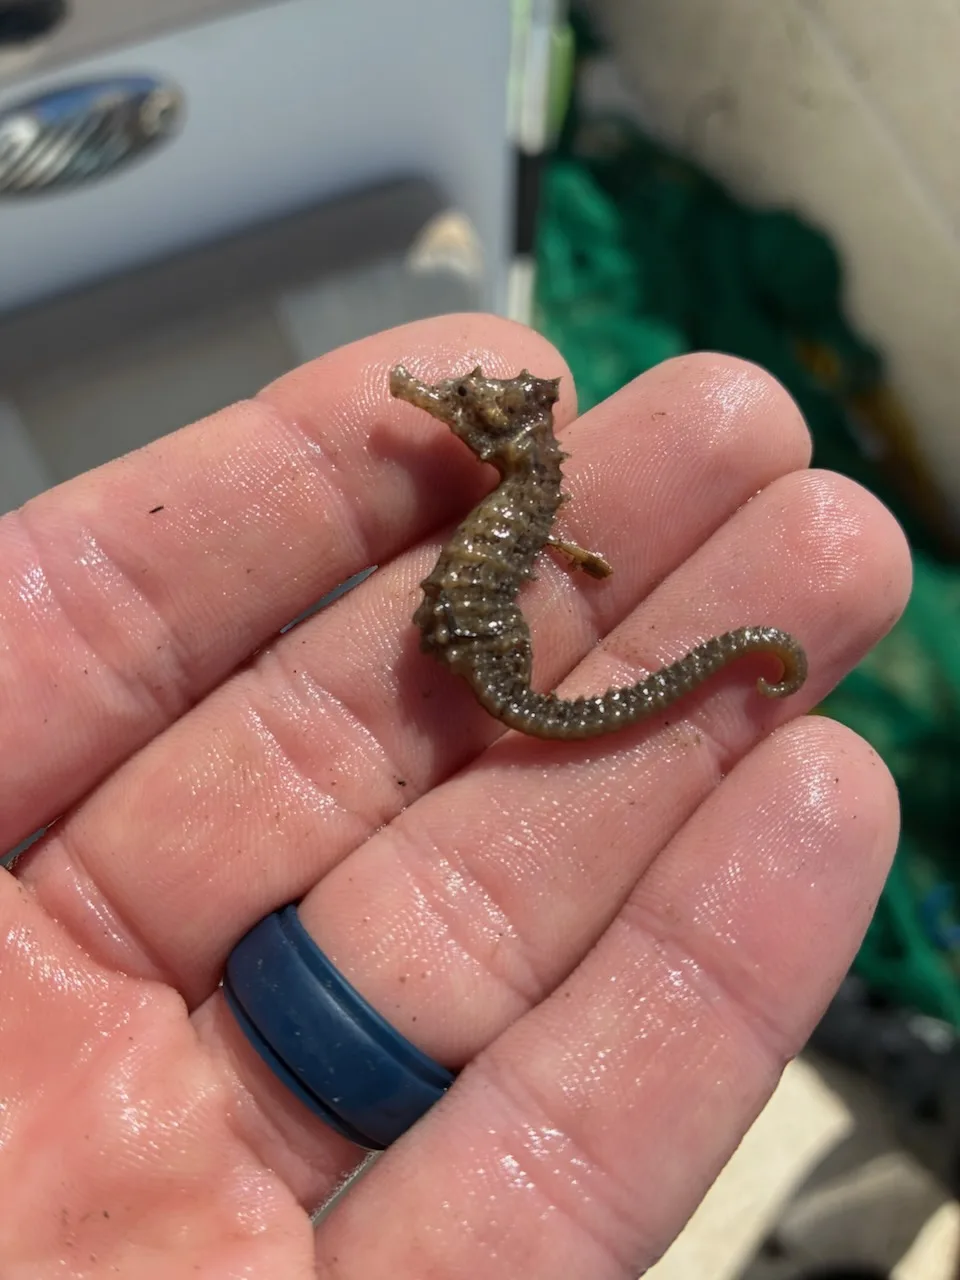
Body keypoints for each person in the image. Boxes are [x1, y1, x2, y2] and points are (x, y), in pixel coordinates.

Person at [0, 314, 908, 1277]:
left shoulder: (524, 497)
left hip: (479, 636)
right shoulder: (524, 491)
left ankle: (736, 650)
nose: (448, 408)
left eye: (474, 409)